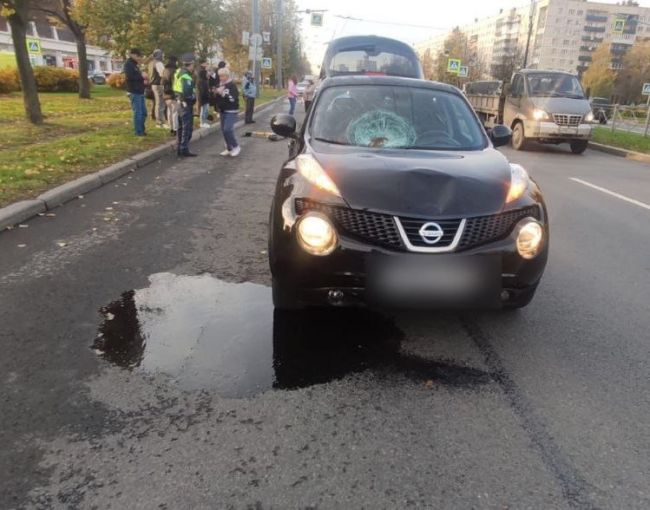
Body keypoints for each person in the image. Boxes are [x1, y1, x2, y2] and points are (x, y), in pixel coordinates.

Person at [173, 53, 197, 157]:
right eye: (193, 65)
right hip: (185, 104)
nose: (193, 67)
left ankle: (180, 147)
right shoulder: (186, 76)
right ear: (191, 64)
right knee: (187, 128)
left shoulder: (178, 72)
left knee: (181, 127)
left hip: (178, 102)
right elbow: (187, 92)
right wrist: (193, 97)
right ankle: (184, 148)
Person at [215, 67, 240, 157]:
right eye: (219, 76)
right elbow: (218, 99)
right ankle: (229, 148)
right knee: (223, 130)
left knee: (227, 129)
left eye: (222, 76)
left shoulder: (231, 85)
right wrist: (216, 93)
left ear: (227, 75)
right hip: (223, 110)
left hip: (231, 110)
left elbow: (233, 99)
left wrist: (223, 94)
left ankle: (236, 146)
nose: (221, 78)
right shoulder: (220, 85)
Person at [124, 48, 146, 136]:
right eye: (137, 56)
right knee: (138, 112)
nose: (139, 58)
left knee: (144, 112)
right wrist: (141, 77)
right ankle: (139, 132)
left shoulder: (135, 65)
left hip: (140, 91)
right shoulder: (128, 64)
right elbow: (130, 77)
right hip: (134, 91)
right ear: (132, 54)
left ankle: (142, 129)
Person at [149, 49, 167, 129]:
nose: (163, 56)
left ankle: (160, 120)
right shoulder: (158, 63)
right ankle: (160, 122)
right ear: (159, 55)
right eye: (162, 54)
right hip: (158, 84)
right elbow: (163, 74)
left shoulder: (151, 63)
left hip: (153, 85)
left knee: (158, 103)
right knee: (160, 103)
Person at [162, 55, 179, 135]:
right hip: (173, 93)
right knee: (175, 111)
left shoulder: (164, 70)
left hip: (166, 93)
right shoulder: (175, 71)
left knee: (169, 111)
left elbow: (162, 82)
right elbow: (175, 83)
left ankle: (171, 127)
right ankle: (175, 129)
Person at [197, 60, 211, 128]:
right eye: (207, 74)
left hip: (206, 97)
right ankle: (202, 122)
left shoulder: (205, 81)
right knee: (203, 110)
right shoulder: (201, 81)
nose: (208, 75)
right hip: (203, 97)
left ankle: (204, 121)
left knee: (206, 110)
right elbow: (202, 91)